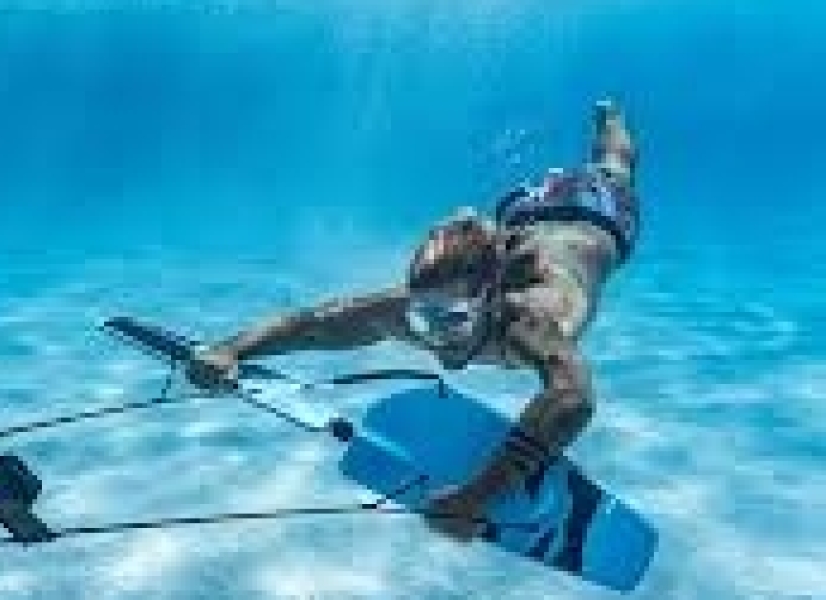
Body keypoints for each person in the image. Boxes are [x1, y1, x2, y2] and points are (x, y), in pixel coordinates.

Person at [191, 99, 639, 541]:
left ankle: (610, 116)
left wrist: (479, 497)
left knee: (614, 166)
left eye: (451, 319)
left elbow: (572, 398)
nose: (437, 339)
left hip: (598, 217)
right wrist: (232, 349)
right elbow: (316, 323)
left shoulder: (529, 317)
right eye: (424, 319)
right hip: (523, 214)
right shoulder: (420, 304)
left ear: (491, 300)